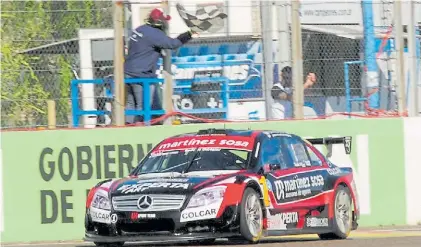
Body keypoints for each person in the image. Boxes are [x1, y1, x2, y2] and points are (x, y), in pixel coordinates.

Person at [124, 8, 195, 124]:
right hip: (141, 74)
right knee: (144, 104)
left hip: (128, 71)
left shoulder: (140, 29)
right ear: (159, 22)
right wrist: (189, 34)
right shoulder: (154, 34)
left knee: (131, 103)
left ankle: (127, 125)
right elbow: (173, 44)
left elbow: (145, 48)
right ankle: (140, 128)